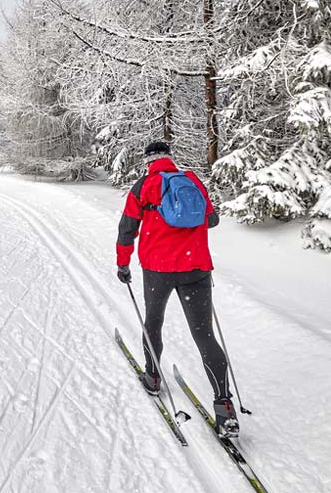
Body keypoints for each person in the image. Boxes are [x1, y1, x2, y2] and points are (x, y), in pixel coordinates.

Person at [115, 141, 238, 438]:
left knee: (153, 321)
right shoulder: (193, 181)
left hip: (157, 270)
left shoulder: (143, 186)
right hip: (196, 268)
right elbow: (211, 219)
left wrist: (123, 264)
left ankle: (153, 378)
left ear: (149, 162)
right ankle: (224, 407)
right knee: (204, 335)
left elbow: (126, 229)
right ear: (171, 159)